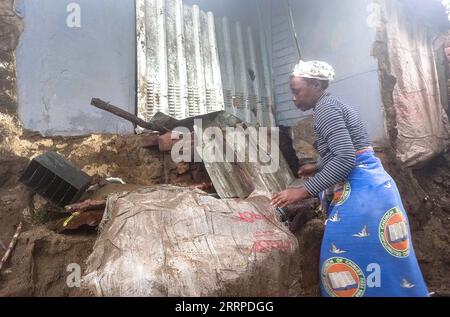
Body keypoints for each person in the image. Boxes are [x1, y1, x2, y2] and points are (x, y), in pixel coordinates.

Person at [271, 60, 429, 297]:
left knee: (340, 261)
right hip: (375, 188)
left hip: (364, 193)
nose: (294, 98)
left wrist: (303, 191)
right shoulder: (333, 104)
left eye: (297, 91)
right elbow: (353, 150)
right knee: (383, 261)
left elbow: (345, 159)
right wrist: (317, 166)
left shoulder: (325, 111)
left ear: (316, 85)